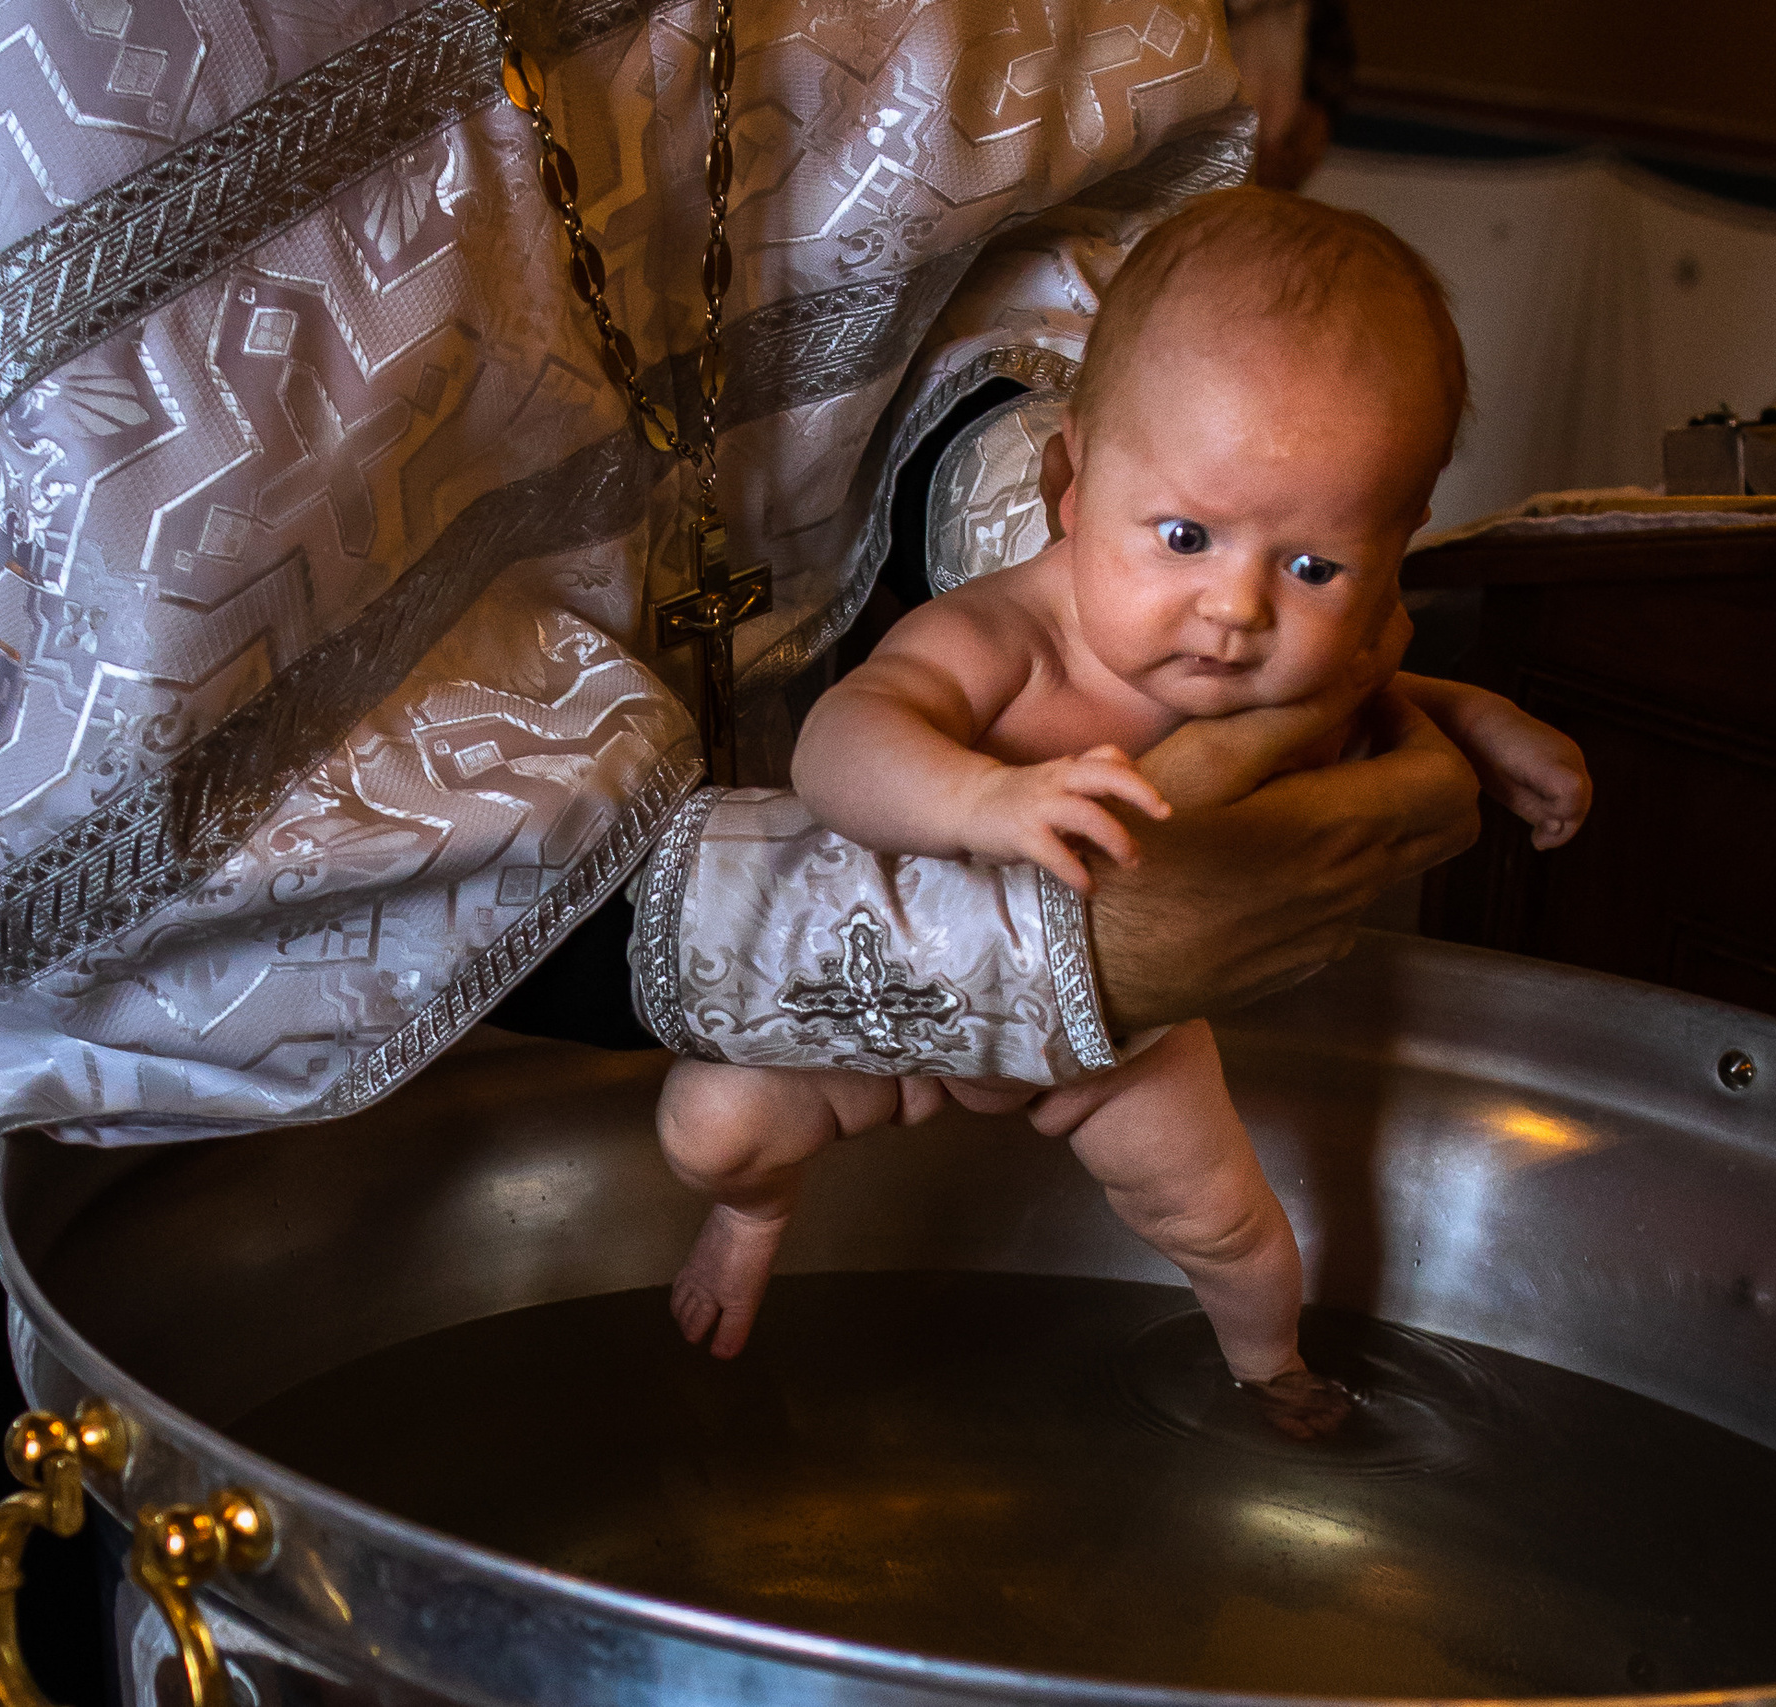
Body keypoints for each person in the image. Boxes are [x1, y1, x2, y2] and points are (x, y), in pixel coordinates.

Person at [0, 5, 1477, 1697]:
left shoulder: (1194, 572)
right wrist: (1016, 944)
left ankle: (1276, 1373)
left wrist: (1261, 668)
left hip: (928, 915)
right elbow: (98, 709)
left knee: (1215, 1222)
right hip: (201, 1102)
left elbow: (1063, 309)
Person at [654, 191, 1591, 1438]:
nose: (1237, 612)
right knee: (708, 1127)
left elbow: (1362, 689)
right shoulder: (1010, 636)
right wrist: (987, 794)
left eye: (1313, 566)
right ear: (1069, 478)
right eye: (1186, 535)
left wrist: (1478, 723)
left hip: (1122, 1023)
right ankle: (757, 1214)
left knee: (1222, 1220)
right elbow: (841, 749)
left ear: (1397, 545)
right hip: (880, 1005)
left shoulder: (1266, 656)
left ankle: (1275, 1376)